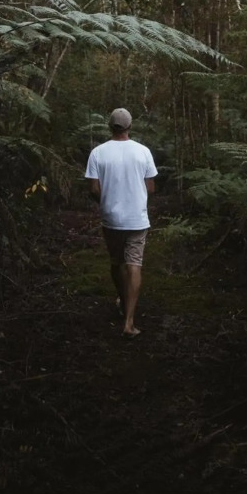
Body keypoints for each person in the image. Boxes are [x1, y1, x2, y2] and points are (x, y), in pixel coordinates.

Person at [85, 107, 157, 337]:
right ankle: (129, 321)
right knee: (134, 264)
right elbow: (151, 188)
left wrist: (107, 200)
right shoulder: (143, 151)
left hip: (111, 218)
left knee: (117, 263)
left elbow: (94, 189)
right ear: (129, 126)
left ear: (110, 126)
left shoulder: (98, 153)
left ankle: (124, 300)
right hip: (137, 218)